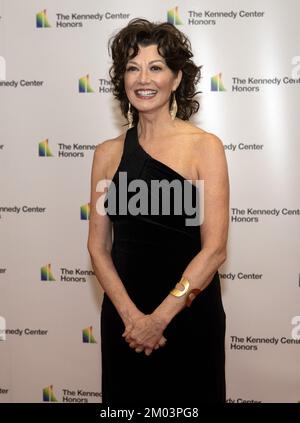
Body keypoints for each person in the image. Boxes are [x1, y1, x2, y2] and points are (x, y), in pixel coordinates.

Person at [88, 18, 229, 404]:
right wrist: (134, 320)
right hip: (124, 320)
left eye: (156, 67)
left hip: (187, 317)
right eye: (132, 68)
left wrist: (159, 319)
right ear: (122, 79)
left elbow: (214, 249)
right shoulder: (106, 154)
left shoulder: (204, 147)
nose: (142, 78)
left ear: (176, 78)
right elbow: (98, 248)